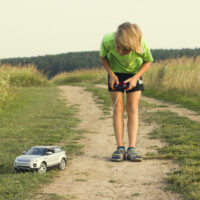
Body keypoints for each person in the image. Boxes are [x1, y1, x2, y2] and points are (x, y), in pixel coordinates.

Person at [99, 22, 154, 162]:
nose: (120, 52)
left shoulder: (142, 44)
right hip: (115, 74)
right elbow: (103, 57)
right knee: (118, 108)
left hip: (134, 74)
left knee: (132, 109)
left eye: (125, 50)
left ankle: (132, 149)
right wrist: (111, 74)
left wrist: (135, 78)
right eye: (118, 47)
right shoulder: (107, 40)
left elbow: (148, 61)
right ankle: (120, 148)